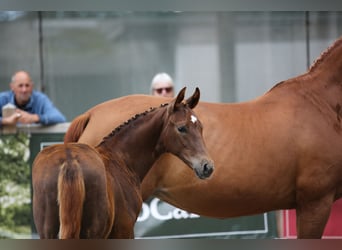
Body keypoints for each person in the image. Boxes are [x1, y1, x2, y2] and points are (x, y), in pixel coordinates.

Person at [0, 70, 66, 126]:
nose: (24, 90)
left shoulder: (40, 99)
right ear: (12, 87)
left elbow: (60, 118)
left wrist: (35, 118)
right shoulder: (3, 99)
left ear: (32, 86)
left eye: (27, 85)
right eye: (20, 86)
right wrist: (5, 121)